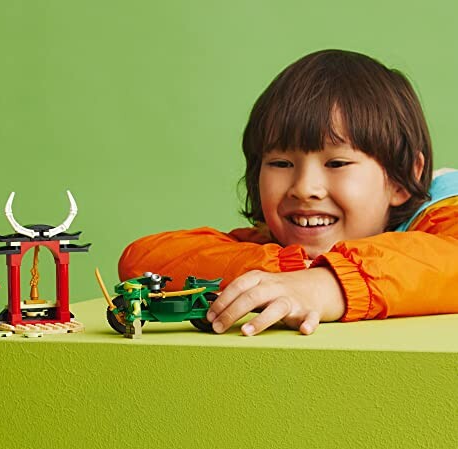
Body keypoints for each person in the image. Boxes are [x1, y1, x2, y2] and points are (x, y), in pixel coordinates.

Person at [118, 49, 458, 336]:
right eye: (281, 163)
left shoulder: (442, 213)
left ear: (401, 179)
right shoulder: (277, 248)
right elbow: (141, 262)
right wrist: (286, 271)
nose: (304, 188)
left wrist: (327, 285)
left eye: (337, 163)